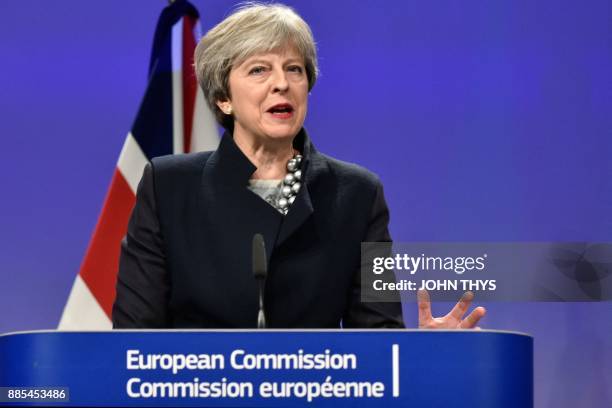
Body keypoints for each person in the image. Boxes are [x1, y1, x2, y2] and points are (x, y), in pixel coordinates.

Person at [112, 3, 485, 329]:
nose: (282, 84)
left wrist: (429, 355)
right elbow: (134, 335)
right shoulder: (170, 187)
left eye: (294, 70)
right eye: (259, 70)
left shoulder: (357, 194)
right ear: (224, 98)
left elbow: (378, 337)